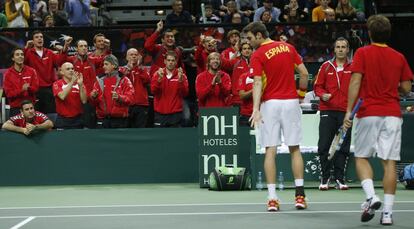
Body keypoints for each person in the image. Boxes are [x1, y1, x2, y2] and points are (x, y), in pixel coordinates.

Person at [343, 15, 413, 225]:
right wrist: (392, 85)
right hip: (392, 114)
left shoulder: (363, 53)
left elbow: (355, 82)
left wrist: (348, 111)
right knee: (389, 162)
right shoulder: (398, 57)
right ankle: (388, 214)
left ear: (370, 33)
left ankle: (372, 196)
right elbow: (407, 88)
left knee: (362, 157)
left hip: (368, 112)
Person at [243, 21, 309, 211]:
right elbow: (304, 74)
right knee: (295, 149)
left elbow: (257, 82)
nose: (248, 42)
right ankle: (300, 197)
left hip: (270, 105)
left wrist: (255, 108)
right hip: (291, 103)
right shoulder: (289, 48)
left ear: (258, 35)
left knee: (270, 151)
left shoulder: (258, 54)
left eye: (249, 38)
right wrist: (301, 96)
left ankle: (272, 198)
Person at [313, 37, 352, 191]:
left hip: (346, 112)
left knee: (343, 146)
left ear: (348, 49)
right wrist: (323, 95)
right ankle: (325, 177)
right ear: (334, 49)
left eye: (343, 47)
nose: (341, 49)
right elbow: (317, 87)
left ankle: (340, 178)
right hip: (327, 111)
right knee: (324, 145)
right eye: (338, 47)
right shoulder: (326, 67)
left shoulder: (354, 67)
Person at [24, 30, 68, 115]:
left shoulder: (49, 52)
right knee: (36, 115)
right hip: (35, 90)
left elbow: (59, 62)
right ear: (33, 41)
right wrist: (26, 48)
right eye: (37, 37)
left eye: (41, 37)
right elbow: (22, 62)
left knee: (51, 114)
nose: (39, 39)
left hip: (49, 89)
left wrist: (65, 47)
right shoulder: (29, 53)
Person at [90, 54, 134, 128]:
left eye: (106, 64)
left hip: (119, 121)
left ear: (114, 65)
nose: (103, 66)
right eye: (103, 64)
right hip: (102, 120)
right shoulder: (99, 81)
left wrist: (119, 98)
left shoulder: (124, 80)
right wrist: (93, 97)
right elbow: (94, 103)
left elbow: (131, 98)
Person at [151, 51, 189, 127]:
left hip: (175, 114)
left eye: (172, 60)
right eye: (168, 60)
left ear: (176, 62)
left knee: (174, 138)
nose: (170, 62)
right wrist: (159, 80)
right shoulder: (157, 74)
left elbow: (185, 94)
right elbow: (153, 91)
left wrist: (181, 81)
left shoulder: (181, 76)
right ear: (165, 61)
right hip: (160, 114)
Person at [3, 48, 39, 117]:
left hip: (30, 108)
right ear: (13, 58)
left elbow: (36, 89)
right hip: (15, 109)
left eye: (22, 54)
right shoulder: (8, 74)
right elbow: (9, 94)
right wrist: (22, 90)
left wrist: (29, 88)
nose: (20, 56)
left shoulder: (31, 71)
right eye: (17, 55)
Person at [120, 48, 151, 128]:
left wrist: (139, 68)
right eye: (131, 55)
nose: (134, 56)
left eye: (135, 55)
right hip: (126, 105)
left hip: (141, 105)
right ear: (127, 57)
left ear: (138, 57)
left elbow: (147, 81)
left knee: (141, 130)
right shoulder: (121, 70)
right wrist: (128, 71)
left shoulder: (143, 69)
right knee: (126, 129)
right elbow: (119, 84)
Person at [52, 62, 87, 129]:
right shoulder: (57, 84)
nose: (71, 70)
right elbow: (62, 96)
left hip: (78, 120)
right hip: (63, 120)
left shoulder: (79, 83)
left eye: (72, 68)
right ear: (62, 72)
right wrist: (72, 83)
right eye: (68, 69)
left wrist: (80, 85)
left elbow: (84, 101)